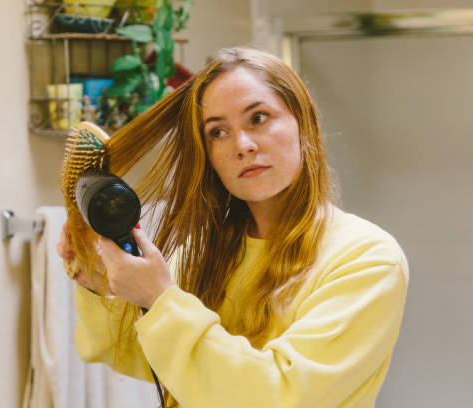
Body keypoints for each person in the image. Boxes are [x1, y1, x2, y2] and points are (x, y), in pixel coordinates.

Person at [57, 47, 409, 408]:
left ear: (303, 123)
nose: (242, 145)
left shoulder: (367, 259)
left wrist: (159, 300)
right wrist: (97, 279)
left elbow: (280, 396)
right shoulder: (204, 252)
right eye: (218, 132)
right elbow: (147, 355)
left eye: (258, 118)